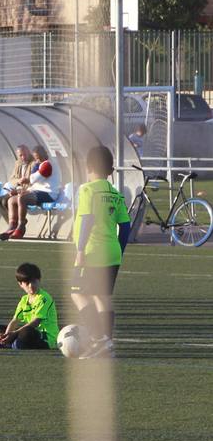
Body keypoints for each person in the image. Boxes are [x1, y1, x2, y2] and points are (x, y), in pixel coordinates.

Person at [70, 145, 130, 358]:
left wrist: (79, 250)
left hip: (91, 252)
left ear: (89, 167)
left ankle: (99, 339)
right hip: (112, 252)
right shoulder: (115, 193)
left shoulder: (87, 190)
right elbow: (125, 227)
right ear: (110, 170)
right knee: (102, 297)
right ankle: (108, 343)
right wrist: (119, 251)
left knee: (77, 293)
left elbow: (87, 219)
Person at [0, 262, 58, 350]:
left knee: (27, 332)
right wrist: (6, 335)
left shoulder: (44, 298)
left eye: (34, 281)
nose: (31, 286)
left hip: (46, 337)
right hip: (28, 333)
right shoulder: (24, 300)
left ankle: (13, 344)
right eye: (27, 283)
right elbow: (15, 320)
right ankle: (9, 343)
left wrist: (14, 334)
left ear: (39, 280)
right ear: (20, 284)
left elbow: (36, 322)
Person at [0, 146, 59, 240]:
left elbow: (33, 179)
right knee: (11, 200)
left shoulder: (47, 165)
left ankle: (21, 227)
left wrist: (25, 181)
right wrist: (21, 190)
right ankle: (12, 225)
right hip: (38, 192)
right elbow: (35, 185)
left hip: (48, 194)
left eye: (38, 158)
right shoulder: (39, 164)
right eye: (35, 158)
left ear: (44, 155)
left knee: (22, 198)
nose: (37, 160)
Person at [0, 144, 34, 226]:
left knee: (5, 201)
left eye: (25, 154)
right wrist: (18, 182)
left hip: (27, 191)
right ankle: (13, 223)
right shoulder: (18, 163)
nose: (23, 157)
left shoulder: (34, 163)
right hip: (17, 189)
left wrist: (19, 187)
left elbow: (33, 181)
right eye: (21, 155)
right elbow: (12, 179)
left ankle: (15, 223)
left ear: (29, 152)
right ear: (18, 155)